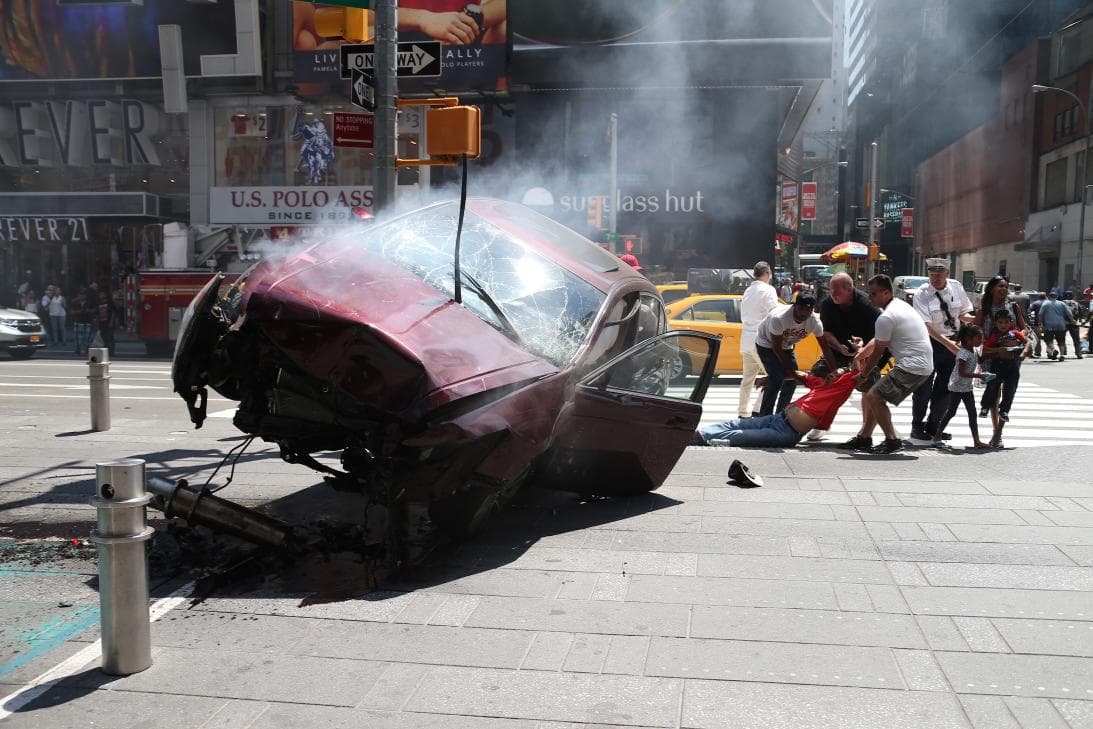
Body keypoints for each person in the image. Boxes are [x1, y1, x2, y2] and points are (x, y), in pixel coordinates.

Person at [844, 274, 934, 454]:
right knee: (876, 396)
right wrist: (859, 356)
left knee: (874, 396)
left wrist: (863, 375)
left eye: (873, 294)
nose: (869, 297)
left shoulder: (887, 316)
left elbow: (878, 351)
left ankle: (892, 440)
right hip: (921, 365)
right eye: (869, 293)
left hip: (912, 366)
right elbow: (877, 341)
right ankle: (864, 438)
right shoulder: (900, 306)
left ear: (886, 293)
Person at [694, 367, 859, 447]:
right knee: (735, 424)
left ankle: (699, 440)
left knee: (737, 435)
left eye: (837, 376)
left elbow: (859, 371)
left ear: (843, 380)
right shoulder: (820, 383)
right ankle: (698, 435)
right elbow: (798, 374)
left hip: (787, 433)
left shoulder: (839, 391)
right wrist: (769, 377)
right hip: (777, 419)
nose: (831, 375)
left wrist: (859, 349)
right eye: (832, 373)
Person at [909, 257, 973, 441]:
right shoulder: (922, 293)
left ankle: (934, 425)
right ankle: (917, 426)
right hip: (929, 343)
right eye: (932, 274)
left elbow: (963, 313)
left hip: (953, 343)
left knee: (946, 388)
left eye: (939, 274)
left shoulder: (956, 287)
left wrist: (975, 320)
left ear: (947, 273)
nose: (935, 278)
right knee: (923, 388)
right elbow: (926, 324)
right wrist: (948, 343)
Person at [753, 293, 828, 416]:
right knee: (776, 379)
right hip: (766, 343)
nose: (803, 313)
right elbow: (777, 348)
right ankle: (765, 415)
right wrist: (792, 373)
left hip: (786, 345)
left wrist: (834, 370)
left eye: (808, 310)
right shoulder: (779, 318)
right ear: (794, 306)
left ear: (812, 310)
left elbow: (826, 348)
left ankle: (781, 413)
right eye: (800, 309)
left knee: (791, 381)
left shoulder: (815, 322)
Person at [931, 324, 990, 449]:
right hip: (957, 387)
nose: (981, 340)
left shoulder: (974, 350)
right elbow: (962, 373)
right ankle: (937, 436)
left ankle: (976, 441)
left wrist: (991, 351)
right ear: (969, 339)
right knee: (951, 412)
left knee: (972, 413)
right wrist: (979, 375)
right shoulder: (963, 354)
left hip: (966, 387)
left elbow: (980, 360)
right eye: (979, 338)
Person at [979, 309, 1027, 448]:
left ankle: (1004, 411)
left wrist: (1022, 351)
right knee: (992, 387)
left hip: (1012, 365)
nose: (1003, 325)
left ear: (1011, 322)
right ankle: (985, 407)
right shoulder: (995, 336)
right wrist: (997, 350)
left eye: (1006, 322)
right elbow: (985, 348)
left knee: (1010, 391)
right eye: (1000, 322)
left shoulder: (1015, 333)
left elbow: (1027, 342)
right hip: (998, 364)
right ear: (996, 323)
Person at [737, 261, 779, 418]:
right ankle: (759, 409)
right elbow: (774, 315)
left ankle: (743, 411)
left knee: (747, 378)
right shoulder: (768, 290)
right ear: (767, 274)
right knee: (775, 376)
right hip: (760, 340)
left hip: (747, 339)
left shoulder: (748, 290)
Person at [1039, 289, 1072, 360]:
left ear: (1049, 297)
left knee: (1048, 339)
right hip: (1061, 324)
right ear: (1056, 297)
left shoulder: (1045, 304)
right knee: (1061, 340)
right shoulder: (1062, 304)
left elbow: (1040, 314)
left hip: (1049, 325)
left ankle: (1053, 350)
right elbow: (1069, 313)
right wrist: (1073, 321)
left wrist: (1041, 323)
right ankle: (1062, 355)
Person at [69, 290, 94, 357]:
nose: (81, 296)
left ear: (85, 296)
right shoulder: (75, 303)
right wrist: (78, 312)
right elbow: (71, 311)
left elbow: (94, 310)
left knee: (87, 338)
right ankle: (78, 350)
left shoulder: (89, 302)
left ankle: (87, 350)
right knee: (77, 338)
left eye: (83, 295)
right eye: (80, 295)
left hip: (87, 322)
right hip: (78, 321)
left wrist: (88, 311)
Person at [1062, 291, 1084, 358]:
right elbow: (1081, 313)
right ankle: (1078, 353)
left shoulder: (1062, 303)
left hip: (1064, 323)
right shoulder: (1076, 303)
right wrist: (1079, 320)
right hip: (1074, 323)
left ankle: (1064, 351)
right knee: (1076, 339)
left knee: (1062, 337)